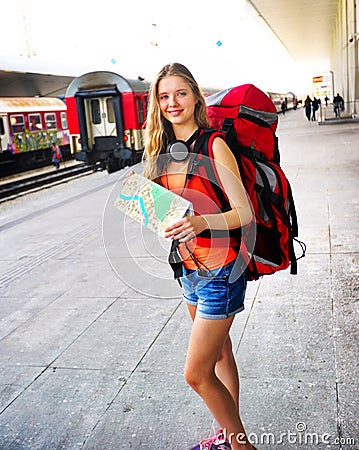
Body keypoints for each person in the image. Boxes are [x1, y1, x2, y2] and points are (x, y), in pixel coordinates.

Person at [142, 63, 255, 450]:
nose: (172, 103)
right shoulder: (161, 152)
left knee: (196, 374)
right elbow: (171, 211)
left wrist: (202, 222)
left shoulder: (214, 144)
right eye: (163, 96)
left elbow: (244, 214)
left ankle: (241, 446)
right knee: (220, 353)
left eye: (180, 93)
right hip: (188, 270)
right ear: (156, 104)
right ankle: (227, 436)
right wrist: (159, 215)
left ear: (195, 97)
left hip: (221, 272)